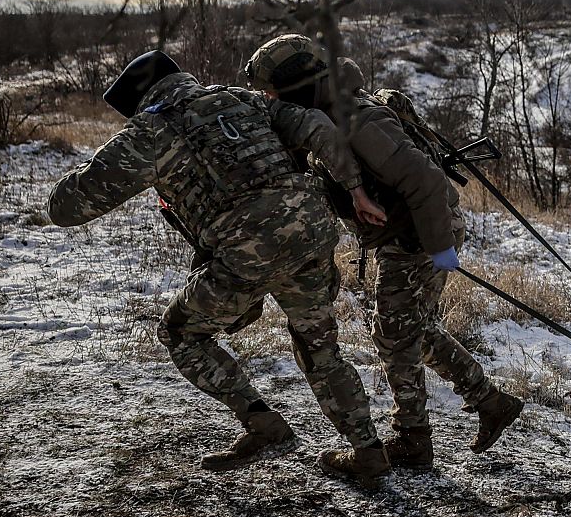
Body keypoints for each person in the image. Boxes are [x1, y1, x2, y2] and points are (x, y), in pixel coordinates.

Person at [47, 50, 393, 482]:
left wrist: (104, 158)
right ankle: (368, 451)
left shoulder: (146, 133)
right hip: (310, 230)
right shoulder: (240, 98)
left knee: (181, 333)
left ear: (136, 103)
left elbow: (64, 208)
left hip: (246, 250)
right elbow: (316, 126)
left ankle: (263, 425)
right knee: (320, 347)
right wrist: (355, 188)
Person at [242, 35, 524, 469]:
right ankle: (491, 403)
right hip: (408, 232)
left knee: (394, 335)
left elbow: (425, 180)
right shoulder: (326, 115)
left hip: (417, 234)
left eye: (272, 91)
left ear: (294, 83)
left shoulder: (357, 120)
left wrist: (437, 248)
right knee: (412, 330)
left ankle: (413, 439)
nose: (269, 100)